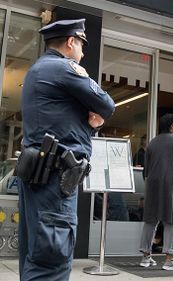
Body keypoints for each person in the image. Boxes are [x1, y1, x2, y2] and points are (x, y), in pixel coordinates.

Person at [18, 19, 115, 280]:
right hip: (55, 179)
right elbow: (107, 104)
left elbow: (62, 123)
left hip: (40, 175)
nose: (83, 53)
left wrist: (90, 125)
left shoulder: (38, 69)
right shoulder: (63, 68)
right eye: (82, 45)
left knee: (36, 257)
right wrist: (96, 118)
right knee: (51, 262)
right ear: (71, 42)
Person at [139, 114, 173, 271]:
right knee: (171, 219)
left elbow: (145, 170)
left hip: (153, 184)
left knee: (151, 219)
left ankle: (146, 257)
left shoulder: (152, 143)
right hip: (172, 185)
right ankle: (169, 259)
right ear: (171, 126)